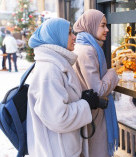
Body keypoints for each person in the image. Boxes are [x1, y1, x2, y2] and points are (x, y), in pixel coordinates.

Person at [27, 18, 102, 157]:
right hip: (57, 151)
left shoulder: (57, 64)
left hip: (65, 148)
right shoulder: (49, 71)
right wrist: (86, 104)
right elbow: (58, 118)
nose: (74, 36)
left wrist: (82, 97)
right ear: (55, 37)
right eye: (69, 33)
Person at [73, 9, 119, 157]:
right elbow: (98, 90)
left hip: (90, 112)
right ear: (91, 25)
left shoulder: (84, 46)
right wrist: (113, 72)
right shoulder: (87, 50)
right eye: (103, 25)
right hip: (94, 113)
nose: (107, 29)